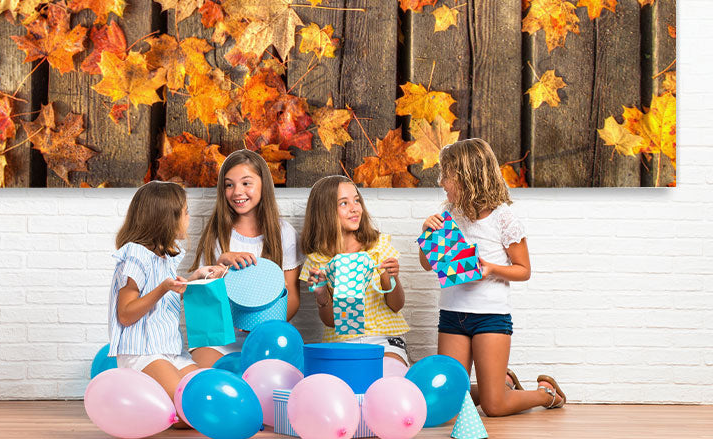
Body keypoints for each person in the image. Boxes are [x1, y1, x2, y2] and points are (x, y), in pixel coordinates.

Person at [420, 138, 566, 416]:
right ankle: (503, 384)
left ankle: (546, 395)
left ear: (467, 177)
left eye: (447, 175)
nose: (441, 181)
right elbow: (428, 265)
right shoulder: (449, 214)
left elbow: (523, 270)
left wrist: (490, 268)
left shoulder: (503, 218)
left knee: (493, 406)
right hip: (452, 315)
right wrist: (427, 232)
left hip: (490, 317)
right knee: (449, 399)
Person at [108, 180, 226, 420]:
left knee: (209, 398)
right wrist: (163, 288)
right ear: (166, 218)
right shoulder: (136, 256)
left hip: (170, 351)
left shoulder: (165, 257)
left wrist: (195, 278)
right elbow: (126, 314)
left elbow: (166, 297)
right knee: (189, 411)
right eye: (186, 212)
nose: (189, 218)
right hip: (143, 352)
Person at [190, 149, 303, 366]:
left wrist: (260, 327)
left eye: (246, 183)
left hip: (266, 335)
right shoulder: (217, 234)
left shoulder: (284, 233)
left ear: (263, 185)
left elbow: (292, 298)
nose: (236, 192)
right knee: (208, 376)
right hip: (219, 337)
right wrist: (219, 268)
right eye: (229, 184)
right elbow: (203, 302)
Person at [300, 174, 410, 366]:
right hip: (342, 342)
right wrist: (321, 296)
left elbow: (396, 305)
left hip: (384, 340)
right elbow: (331, 322)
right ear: (325, 212)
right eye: (344, 203)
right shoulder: (318, 260)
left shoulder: (378, 245)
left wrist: (392, 277)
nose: (354, 208)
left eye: (356, 200)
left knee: (387, 377)